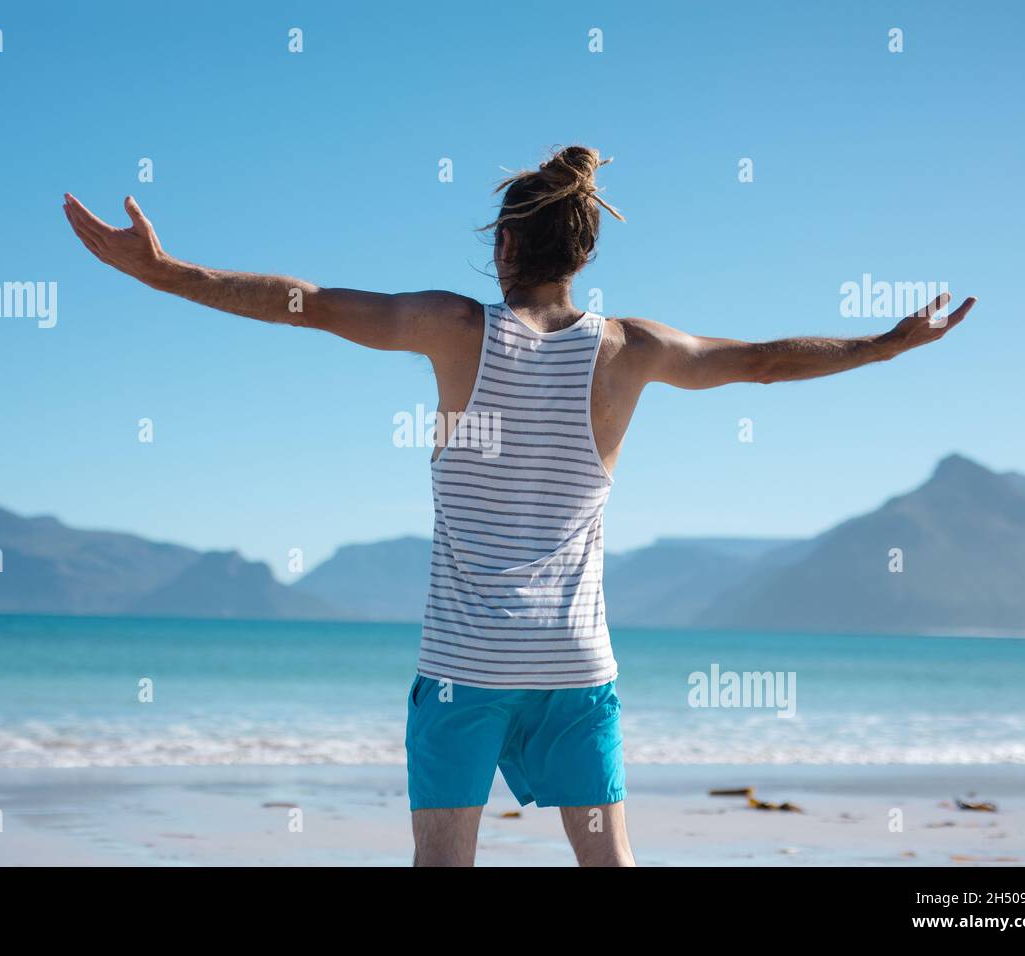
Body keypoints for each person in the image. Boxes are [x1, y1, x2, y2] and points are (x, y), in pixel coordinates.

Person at [62, 145, 975, 867]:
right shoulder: (634, 348)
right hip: (575, 664)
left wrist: (165, 271)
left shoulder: (454, 328)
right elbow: (765, 360)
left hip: (466, 661)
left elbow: (305, 305)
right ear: (582, 255)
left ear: (504, 247)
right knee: (609, 862)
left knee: (443, 862)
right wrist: (885, 344)